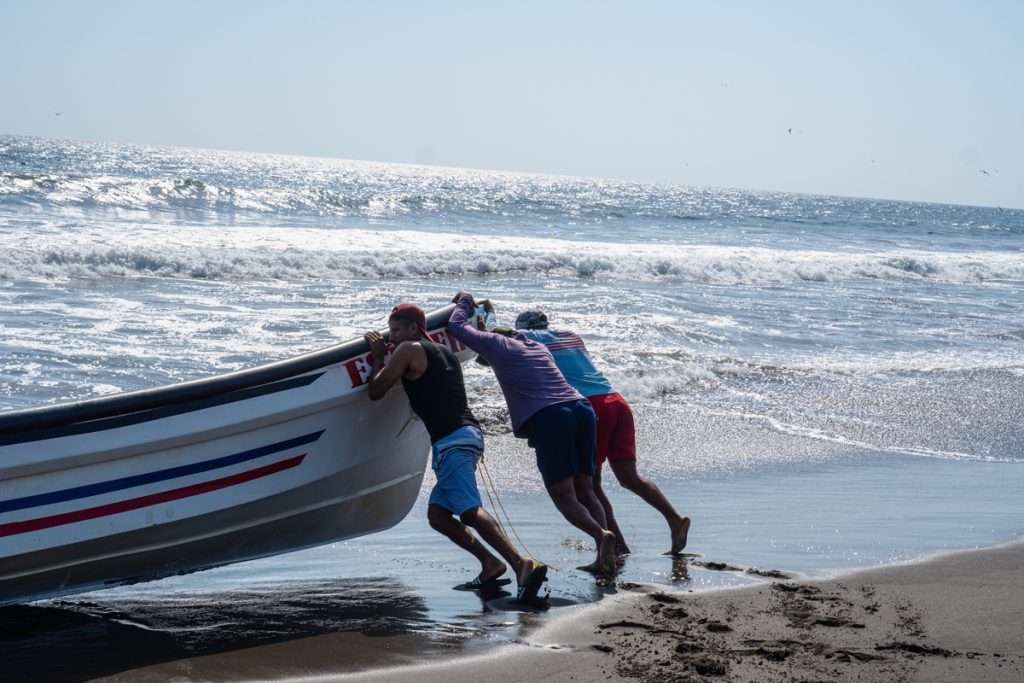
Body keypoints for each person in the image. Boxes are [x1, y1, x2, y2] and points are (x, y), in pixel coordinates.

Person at [363, 303, 545, 599]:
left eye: (396, 329)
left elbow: (375, 391)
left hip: (453, 441)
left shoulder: (408, 350)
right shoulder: (444, 353)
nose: (392, 336)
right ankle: (491, 564)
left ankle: (520, 563)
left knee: (470, 511)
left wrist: (379, 356)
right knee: (438, 515)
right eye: (389, 331)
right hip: (468, 435)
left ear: (413, 328)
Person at [448, 292, 618, 574]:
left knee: (564, 497)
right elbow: (493, 333)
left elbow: (456, 327)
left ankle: (602, 536)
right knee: (586, 490)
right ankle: (604, 555)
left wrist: (464, 301)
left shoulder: (498, 346)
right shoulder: (535, 347)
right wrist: (487, 315)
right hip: (582, 409)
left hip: (552, 417)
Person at [513, 308, 690, 556]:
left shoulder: (530, 338)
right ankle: (674, 518)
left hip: (591, 407)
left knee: (590, 487)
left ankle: (616, 547)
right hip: (616, 401)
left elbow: (505, 340)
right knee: (630, 478)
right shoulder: (571, 336)